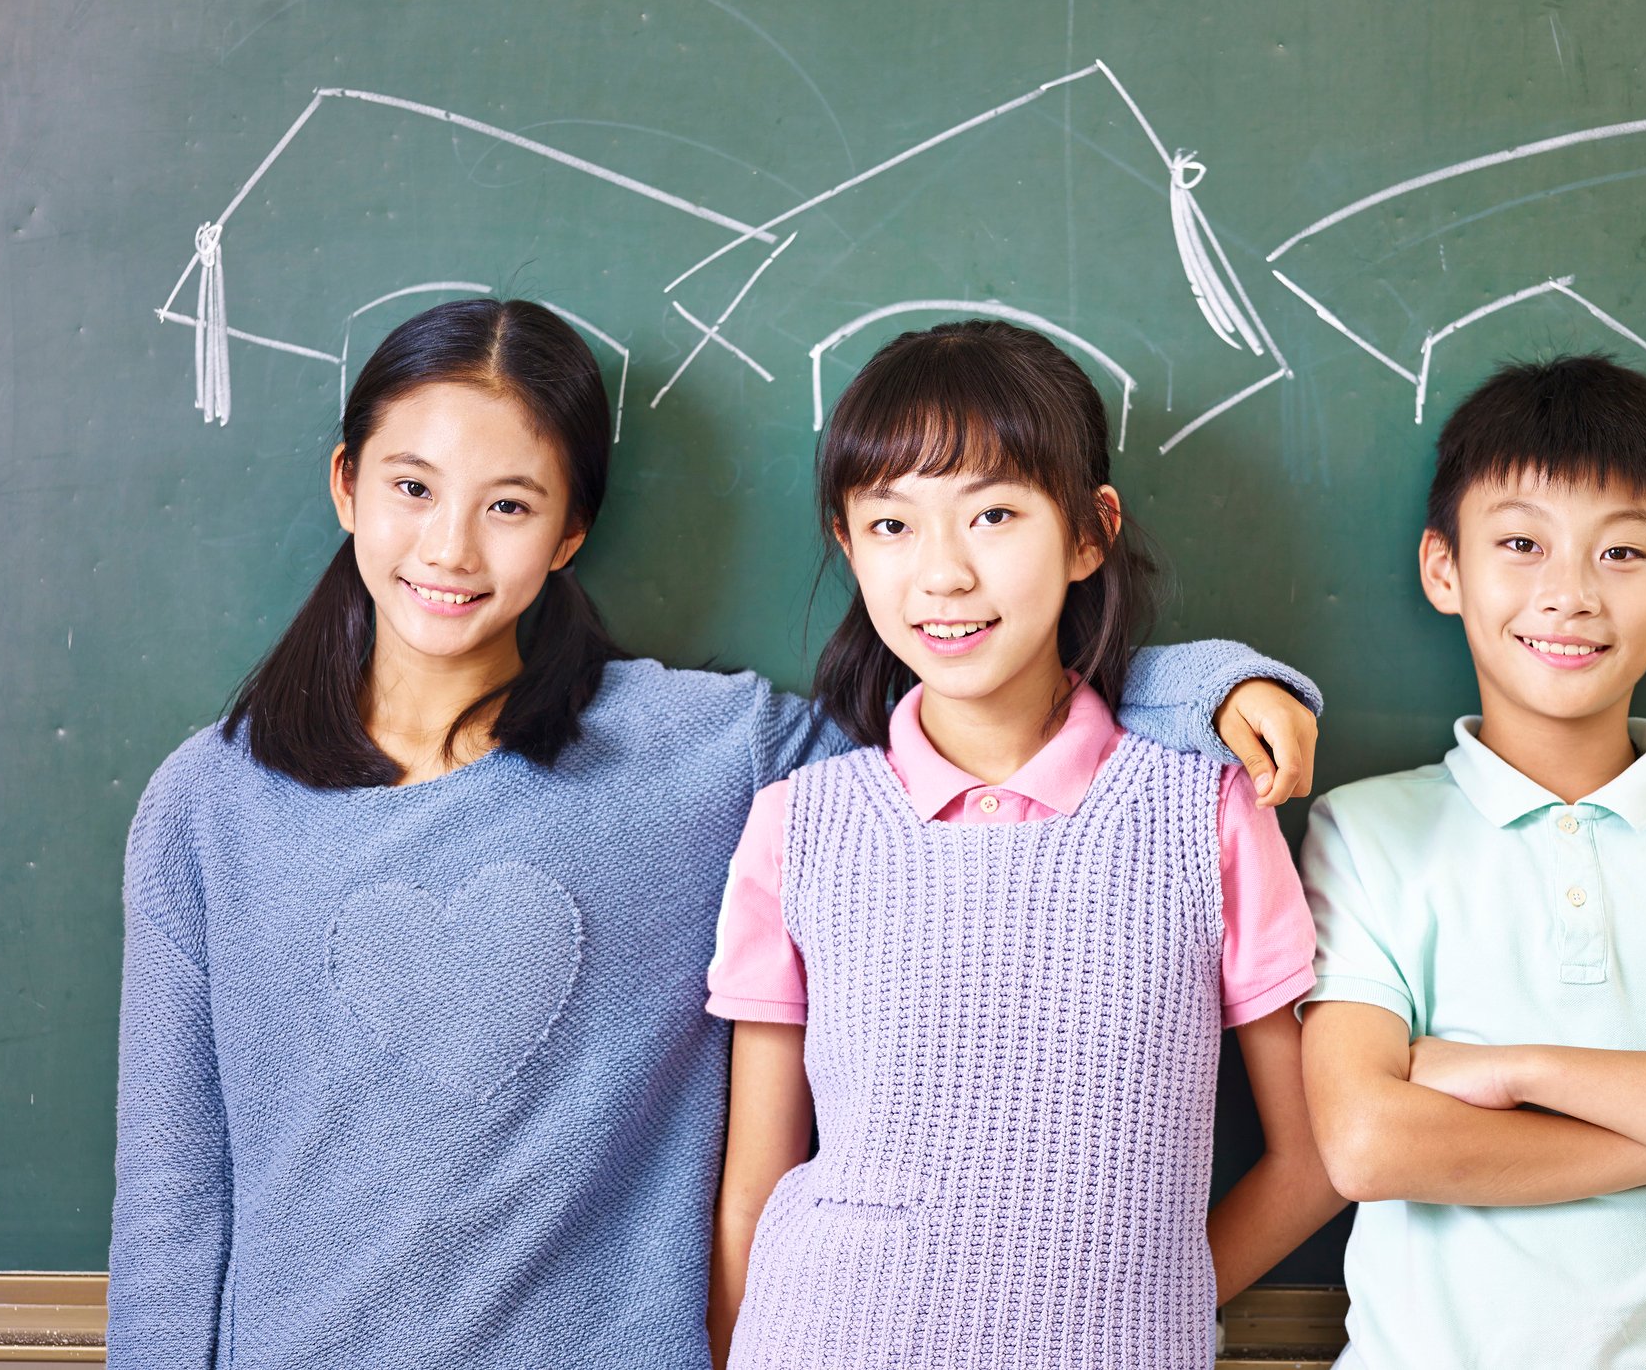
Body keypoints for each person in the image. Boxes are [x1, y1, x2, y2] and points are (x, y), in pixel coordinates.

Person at [107, 299, 1326, 1370]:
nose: (448, 547)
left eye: (510, 504)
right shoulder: (208, 805)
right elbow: (170, 1195)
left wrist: (1207, 690)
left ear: (571, 530)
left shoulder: (701, 753)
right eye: (410, 487)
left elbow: (986, 718)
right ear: (346, 486)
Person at [708, 319, 1345, 1370]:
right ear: (847, 544)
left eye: (993, 514)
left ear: (1089, 533)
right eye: (891, 526)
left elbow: (1313, 1156)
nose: (942, 574)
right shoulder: (801, 823)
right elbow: (753, 1184)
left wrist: (1146, 1304)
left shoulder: (1204, 812)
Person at [1297, 354, 1646, 1369]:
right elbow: (1366, 1145)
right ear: (1444, 568)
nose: (1564, 594)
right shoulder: (1364, 831)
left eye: (1619, 555)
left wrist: (1508, 1071)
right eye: (1519, 543)